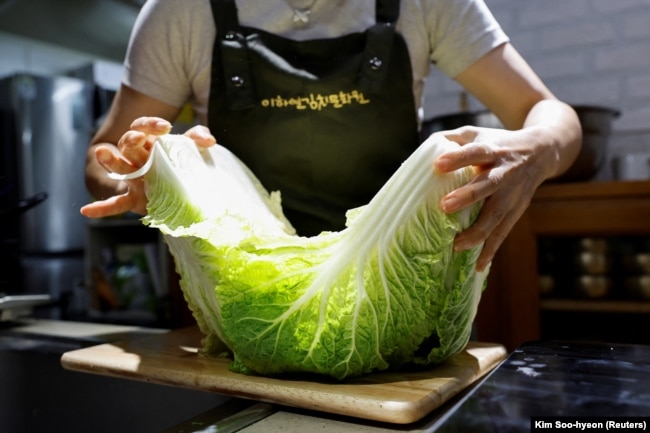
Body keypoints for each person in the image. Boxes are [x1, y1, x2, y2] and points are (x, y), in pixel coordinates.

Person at [81, 0, 582, 273]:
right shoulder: (179, 11)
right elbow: (101, 164)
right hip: (239, 292)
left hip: (396, 283)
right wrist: (139, 174)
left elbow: (550, 113)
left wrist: (539, 148)